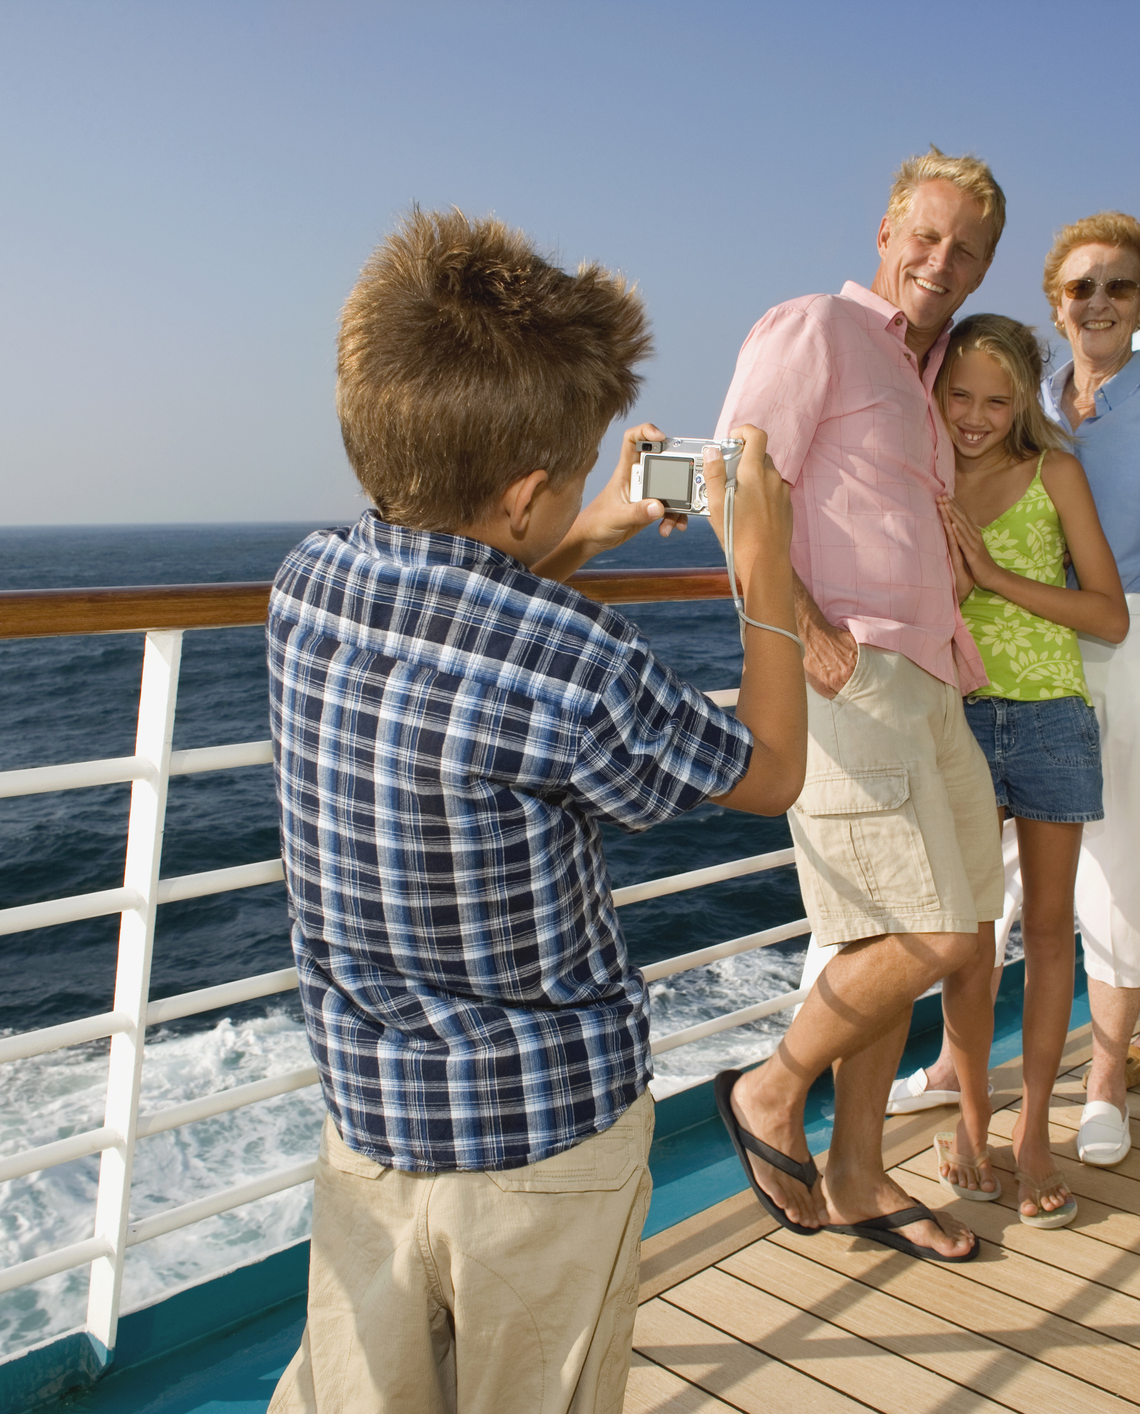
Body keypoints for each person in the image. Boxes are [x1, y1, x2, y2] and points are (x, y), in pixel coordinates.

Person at [265, 208, 806, 1414]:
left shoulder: (304, 583)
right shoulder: (583, 661)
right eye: (573, 473)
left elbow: (462, 617)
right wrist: (760, 558)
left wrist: (593, 522)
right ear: (523, 497)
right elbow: (770, 772)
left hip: (373, 1121)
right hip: (545, 1141)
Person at [712, 149, 1008, 1265]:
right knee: (929, 931)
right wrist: (815, 640)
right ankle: (769, 1089)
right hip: (854, 675)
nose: (942, 260)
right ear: (887, 229)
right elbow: (736, 487)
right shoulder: (814, 329)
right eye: (926, 235)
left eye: (967, 247)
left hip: (932, 677)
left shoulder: (920, 380)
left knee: (942, 924)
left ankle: (856, 1173)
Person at [931, 313, 1127, 1226]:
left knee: (1049, 935)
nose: (974, 416)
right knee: (969, 941)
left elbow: (1109, 616)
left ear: (1024, 404)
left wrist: (993, 576)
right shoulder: (918, 477)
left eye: (996, 400)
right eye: (958, 395)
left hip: (1050, 719)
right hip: (953, 721)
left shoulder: (1056, 474)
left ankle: (1034, 1129)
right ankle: (970, 1123)